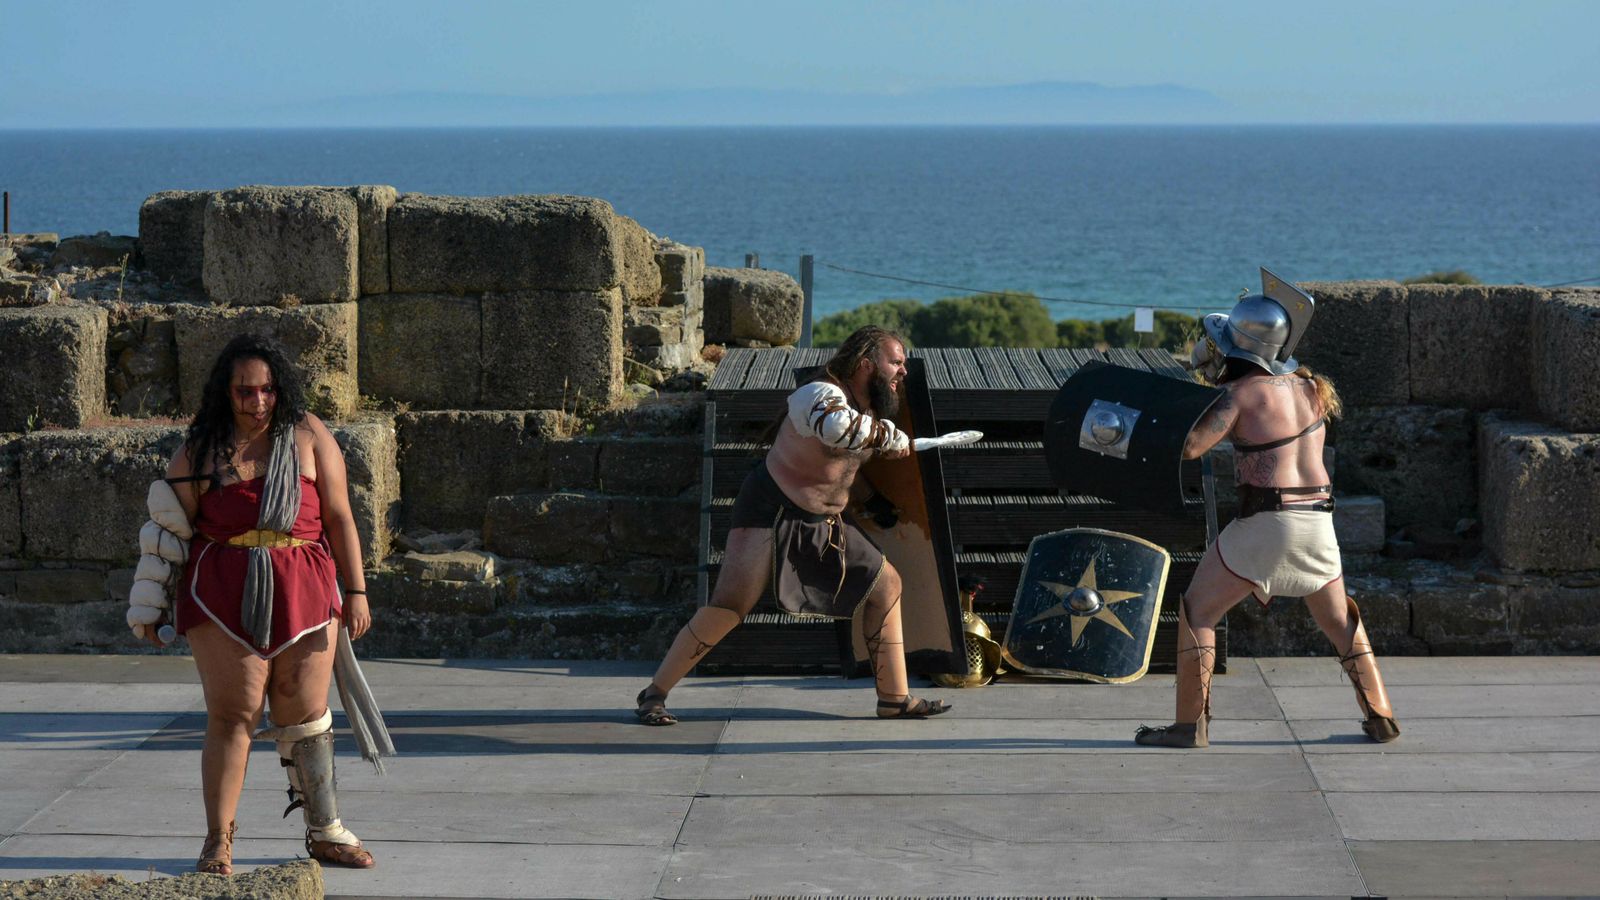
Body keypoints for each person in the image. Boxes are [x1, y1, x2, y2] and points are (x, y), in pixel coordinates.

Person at [634, 325, 950, 724]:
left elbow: (843, 467)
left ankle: (894, 699)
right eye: (896, 362)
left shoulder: (868, 405)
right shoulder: (818, 394)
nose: (903, 371)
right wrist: (887, 436)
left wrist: (873, 498)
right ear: (867, 364)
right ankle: (654, 694)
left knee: (887, 585)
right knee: (731, 606)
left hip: (823, 519)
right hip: (771, 507)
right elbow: (838, 430)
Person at [1135, 282, 1399, 748]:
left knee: (1198, 610)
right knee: (1341, 623)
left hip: (1267, 522)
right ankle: (1381, 717)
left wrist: (1149, 426)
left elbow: (1193, 447)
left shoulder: (1239, 394)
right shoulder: (1310, 388)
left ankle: (1188, 726)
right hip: (1318, 522)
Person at [153, 333, 377, 873]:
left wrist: (357, 589)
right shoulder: (202, 448)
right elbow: (167, 527)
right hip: (223, 591)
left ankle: (325, 831)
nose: (257, 402)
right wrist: (150, 600)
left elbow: (340, 516)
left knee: (304, 714)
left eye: (268, 390)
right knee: (234, 715)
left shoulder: (309, 434)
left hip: (304, 583)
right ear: (224, 394)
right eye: (244, 392)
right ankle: (218, 840)